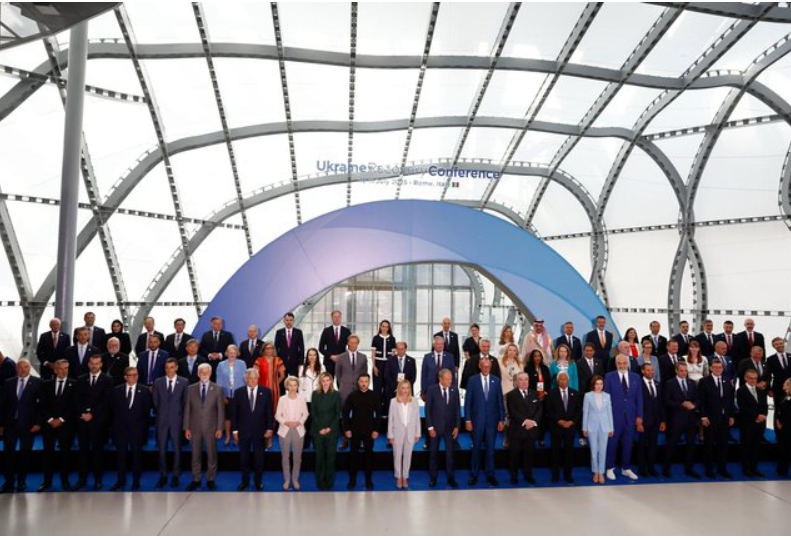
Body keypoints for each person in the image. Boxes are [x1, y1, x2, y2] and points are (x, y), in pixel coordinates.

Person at [1, 359, 42, 493]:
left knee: (25, 454)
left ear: (29, 368)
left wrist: (38, 423)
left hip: (29, 425)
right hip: (10, 425)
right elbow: (2, 405)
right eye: (20, 367)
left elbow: (41, 406)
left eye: (25, 367)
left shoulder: (38, 383)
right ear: (16, 369)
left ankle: (21, 481)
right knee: (8, 454)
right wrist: (1, 424)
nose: (22, 370)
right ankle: (9, 481)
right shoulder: (9, 382)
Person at [74, 354, 113, 490]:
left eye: (97, 363)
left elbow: (106, 401)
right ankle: (82, 479)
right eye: (92, 363)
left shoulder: (107, 380)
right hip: (82, 420)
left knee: (98, 452)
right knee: (83, 451)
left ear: (101, 364)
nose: (94, 366)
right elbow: (76, 399)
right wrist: (83, 413)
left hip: (98, 422)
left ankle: (98, 479)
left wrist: (92, 414)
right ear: (88, 364)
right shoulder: (81, 379)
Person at [109, 367, 151, 491]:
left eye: (135, 374)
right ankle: (120, 480)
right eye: (131, 375)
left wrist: (144, 430)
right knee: (121, 457)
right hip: (120, 430)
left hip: (137, 430)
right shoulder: (117, 390)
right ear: (125, 377)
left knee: (137, 456)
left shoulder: (145, 390)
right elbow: (112, 410)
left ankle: (136, 481)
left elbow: (146, 412)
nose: (134, 377)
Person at [465, 357, 505, 486]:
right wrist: (467, 420)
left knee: (490, 449)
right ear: (479, 366)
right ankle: (474, 474)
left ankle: (490, 474)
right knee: (476, 448)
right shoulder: (472, 380)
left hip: (492, 421)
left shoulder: (496, 380)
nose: (486, 368)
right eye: (484, 366)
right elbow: (467, 402)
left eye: (488, 366)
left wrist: (501, 419)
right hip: (477, 421)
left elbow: (500, 401)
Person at [184, 364, 224, 491]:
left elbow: (221, 411)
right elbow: (187, 409)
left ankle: (211, 479)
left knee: (212, 454)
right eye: (202, 372)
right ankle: (196, 479)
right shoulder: (190, 389)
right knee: (195, 455)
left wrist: (220, 428)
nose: (204, 374)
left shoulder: (217, 389)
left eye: (206, 372)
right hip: (194, 428)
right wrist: (186, 427)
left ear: (210, 373)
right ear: (198, 374)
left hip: (211, 428)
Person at [232, 368, 274, 491]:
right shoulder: (238, 392)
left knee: (259, 459)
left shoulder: (266, 392)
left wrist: (269, 428)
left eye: (255, 378)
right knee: (244, 458)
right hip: (243, 431)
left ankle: (258, 481)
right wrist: (234, 430)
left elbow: (269, 412)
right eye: (250, 378)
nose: (253, 380)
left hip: (260, 431)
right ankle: (244, 482)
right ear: (246, 379)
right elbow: (234, 413)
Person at [38, 359, 77, 492]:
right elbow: (42, 404)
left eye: (66, 368)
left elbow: (74, 405)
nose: (63, 371)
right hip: (49, 425)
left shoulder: (74, 384)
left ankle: (65, 481)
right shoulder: (46, 384)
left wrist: (61, 419)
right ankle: (47, 482)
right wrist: (50, 419)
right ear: (55, 370)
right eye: (60, 368)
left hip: (65, 425)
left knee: (65, 454)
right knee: (47, 454)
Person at [604, 354, 643, 480]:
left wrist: (639, 416)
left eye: (624, 363)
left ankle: (626, 468)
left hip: (631, 417)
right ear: (616, 364)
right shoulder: (609, 377)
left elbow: (639, 398)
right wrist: (607, 418)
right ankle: (610, 467)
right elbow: (606, 399)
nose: (622, 366)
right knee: (612, 443)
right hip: (614, 417)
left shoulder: (636, 377)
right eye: (619, 363)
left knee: (628, 444)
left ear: (628, 363)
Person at [152, 358, 188, 489]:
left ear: (176, 368)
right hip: (161, 421)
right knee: (161, 449)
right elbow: (155, 402)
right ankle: (163, 475)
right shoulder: (158, 382)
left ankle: (176, 476)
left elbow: (185, 402)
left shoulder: (184, 382)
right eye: (167, 367)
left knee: (177, 449)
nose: (169, 370)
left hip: (177, 421)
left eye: (172, 367)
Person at [696, 358, 735, 479]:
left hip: (724, 418)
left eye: (720, 367)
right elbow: (701, 400)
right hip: (710, 418)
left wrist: (731, 415)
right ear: (711, 368)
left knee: (723, 445)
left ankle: (722, 469)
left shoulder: (727, 381)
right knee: (709, 445)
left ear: (723, 369)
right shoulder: (704, 381)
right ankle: (709, 469)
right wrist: (703, 416)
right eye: (715, 367)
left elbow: (730, 400)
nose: (718, 369)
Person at [343, 373, 382, 490]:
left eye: (366, 381)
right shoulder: (352, 396)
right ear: (358, 382)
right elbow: (345, 413)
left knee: (369, 457)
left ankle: (369, 481)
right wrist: (347, 429)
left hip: (370, 431)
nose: (364, 384)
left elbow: (379, 415)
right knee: (353, 457)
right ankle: (352, 481)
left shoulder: (374, 396)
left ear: (369, 382)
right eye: (362, 381)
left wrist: (376, 430)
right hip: (355, 431)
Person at [663, 362, 700, 478]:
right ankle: (666, 469)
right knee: (672, 445)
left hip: (691, 419)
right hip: (676, 419)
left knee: (691, 445)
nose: (684, 373)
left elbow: (698, 398)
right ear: (676, 371)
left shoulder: (692, 383)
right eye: (681, 370)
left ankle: (689, 468)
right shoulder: (669, 383)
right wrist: (681, 404)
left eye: (685, 370)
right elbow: (666, 401)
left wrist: (694, 405)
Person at [425, 369, 460, 488]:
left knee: (450, 454)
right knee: (433, 454)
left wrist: (457, 426)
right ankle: (433, 478)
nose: (450, 381)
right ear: (440, 379)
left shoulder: (454, 390)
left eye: (451, 378)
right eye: (447, 379)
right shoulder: (432, 390)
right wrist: (430, 427)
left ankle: (451, 477)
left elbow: (457, 409)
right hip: (435, 428)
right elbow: (428, 410)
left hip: (450, 428)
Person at [506, 372, 541, 485]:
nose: (524, 382)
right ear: (517, 382)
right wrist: (525, 421)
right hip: (517, 430)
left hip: (531, 430)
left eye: (526, 379)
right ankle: (514, 476)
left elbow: (539, 409)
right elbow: (512, 411)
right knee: (514, 455)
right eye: (521, 379)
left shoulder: (534, 393)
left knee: (529, 455)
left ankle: (528, 475)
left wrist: (533, 422)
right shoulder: (511, 395)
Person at [276, 376, 309, 490]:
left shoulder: (302, 399)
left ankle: (295, 479)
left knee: (297, 458)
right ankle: (287, 480)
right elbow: (277, 415)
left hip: (298, 430)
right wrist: (285, 422)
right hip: (284, 430)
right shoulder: (282, 399)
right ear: (287, 386)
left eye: (295, 385)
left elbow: (305, 414)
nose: (293, 388)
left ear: (298, 386)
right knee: (285, 457)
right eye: (290, 385)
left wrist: (299, 422)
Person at [547, 371, 580, 484]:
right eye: (560, 379)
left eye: (565, 379)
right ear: (557, 381)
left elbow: (578, 410)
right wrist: (559, 421)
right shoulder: (551, 394)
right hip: (556, 427)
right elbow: (549, 410)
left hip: (570, 427)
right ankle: (555, 475)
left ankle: (568, 475)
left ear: (568, 380)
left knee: (569, 453)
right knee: (555, 452)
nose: (563, 381)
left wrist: (572, 421)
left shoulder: (574, 393)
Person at [387, 380, 421, 489]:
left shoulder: (414, 401)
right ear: (399, 389)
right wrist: (390, 435)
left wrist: (418, 433)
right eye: (403, 388)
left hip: (411, 433)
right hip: (397, 433)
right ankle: (398, 476)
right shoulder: (393, 401)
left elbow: (417, 418)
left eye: (407, 388)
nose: (405, 390)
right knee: (397, 456)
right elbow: (390, 419)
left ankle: (405, 476)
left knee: (408, 456)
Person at [311, 373, 341, 490]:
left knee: (330, 457)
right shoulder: (315, 394)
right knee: (319, 457)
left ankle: (329, 482)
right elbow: (313, 413)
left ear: (331, 381)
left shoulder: (336, 395)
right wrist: (320, 428)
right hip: (317, 431)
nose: (325, 383)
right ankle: (320, 482)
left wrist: (329, 428)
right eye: (323, 380)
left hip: (332, 431)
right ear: (320, 382)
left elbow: (337, 414)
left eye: (328, 380)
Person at [736, 369, 768, 477]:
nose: (753, 380)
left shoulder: (761, 390)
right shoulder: (741, 390)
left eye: (755, 378)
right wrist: (756, 416)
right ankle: (746, 469)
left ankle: (754, 468)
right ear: (745, 378)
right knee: (746, 446)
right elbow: (742, 407)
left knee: (756, 447)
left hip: (760, 423)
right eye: (751, 378)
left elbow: (765, 406)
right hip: (747, 423)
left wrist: (763, 415)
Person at [582, 375, 613, 484]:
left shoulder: (607, 396)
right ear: (593, 385)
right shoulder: (588, 396)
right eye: (597, 384)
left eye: (601, 384)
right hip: (592, 426)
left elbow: (609, 412)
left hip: (605, 426)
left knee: (603, 450)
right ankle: (595, 472)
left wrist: (611, 428)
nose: (599, 386)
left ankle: (601, 472)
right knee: (594, 451)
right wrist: (584, 427)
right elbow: (585, 412)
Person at [637, 362, 665, 478]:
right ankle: (642, 468)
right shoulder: (638, 384)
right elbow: (636, 403)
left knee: (653, 445)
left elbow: (661, 403)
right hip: (643, 421)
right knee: (642, 446)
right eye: (648, 370)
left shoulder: (658, 384)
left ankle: (651, 467)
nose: (651, 372)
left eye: (652, 370)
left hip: (656, 421)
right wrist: (638, 421)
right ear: (643, 371)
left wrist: (662, 420)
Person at [256, 342, 286, 448]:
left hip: (274, 391)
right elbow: (255, 375)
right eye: (267, 348)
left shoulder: (278, 360)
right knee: (261, 413)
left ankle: (270, 438)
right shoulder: (258, 360)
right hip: (261, 391)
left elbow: (282, 375)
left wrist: (275, 384)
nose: (269, 350)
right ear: (263, 350)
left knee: (272, 413)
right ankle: (261, 436)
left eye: (271, 348)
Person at [216, 344, 247, 444]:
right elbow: (219, 381)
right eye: (230, 352)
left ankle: (237, 437)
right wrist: (222, 395)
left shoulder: (242, 363)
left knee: (239, 416)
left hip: (239, 395)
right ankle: (228, 436)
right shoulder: (221, 365)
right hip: (226, 395)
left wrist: (245, 394)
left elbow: (245, 379)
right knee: (227, 417)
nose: (232, 354)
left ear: (237, 353)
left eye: (234, 352)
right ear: (226, 353)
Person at [525, 349, 551, 447]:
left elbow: (548, 382)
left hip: (544, 397)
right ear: (532, 357)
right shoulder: (527, 369)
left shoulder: (545, 368)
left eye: (539, 356)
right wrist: (535, 394)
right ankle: (531, 438)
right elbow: (527, 384)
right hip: (532, 397)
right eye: (535, 356)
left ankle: (541, 438)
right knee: (533, 417)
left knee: (542, 418)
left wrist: (545, 392)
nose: (537, 358)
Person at [371, 320, 396, 417]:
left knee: (388, 388)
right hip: (378, 364)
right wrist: (374, 366)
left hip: (388, 364)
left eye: (387, 326)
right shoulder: (375, 338)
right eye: (383, 326)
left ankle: (387, 410)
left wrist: (392, 368)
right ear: (380, 327)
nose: (385, 328)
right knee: (377, 388)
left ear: (389, 328)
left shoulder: (392, 339)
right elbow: (373, 353)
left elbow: (393, 354)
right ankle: (377, 409)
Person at [298, 348, 322, 448]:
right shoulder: (302, 368)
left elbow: (324, 384)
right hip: (306, 400)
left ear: (317, 356)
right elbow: (300, 386)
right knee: (306, 423)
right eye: (310, 355)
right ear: (307, 357)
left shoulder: (322, 368)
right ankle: (306, 442)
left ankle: (316, 443)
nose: (312, 357)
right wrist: (300, 400)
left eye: (314, 355)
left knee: (317, 423)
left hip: (318, 400)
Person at [336, 334, 368, 402]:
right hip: (345, 388)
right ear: (348, 343)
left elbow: (364, 373)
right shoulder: (340, 357)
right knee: (344, 407)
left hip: (358, 388)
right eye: (351, 342)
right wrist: (343, 383)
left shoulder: (363, 357)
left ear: (358, 344)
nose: (353, 345)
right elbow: (338, 373)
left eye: (355, 343)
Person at [318, 310, 350, 376]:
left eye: (338, 317)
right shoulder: (326, 331)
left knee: (342, 381)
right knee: (329, 381)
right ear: (332, 318)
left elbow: (351, 347)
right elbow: (321, 348)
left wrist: (342, 356)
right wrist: (331, 356)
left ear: (341, 318)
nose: (337, 318)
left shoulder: (346, 331)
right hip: (329, 362)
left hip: (342, 362)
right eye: (335, 317)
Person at [767, 337, 791, 403]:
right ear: (773, 346)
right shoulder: (770, 359)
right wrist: (769, 389)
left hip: (790, 387)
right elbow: (768, 375)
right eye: (776, 344)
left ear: (784, 343)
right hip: (778, 389)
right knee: (779, 407)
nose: (780, 345)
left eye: (781, 343)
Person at [775, 378, 791, 476]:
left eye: (785, 384)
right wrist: (778, 420)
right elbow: (780, 410)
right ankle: (781, 468)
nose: (783, 385)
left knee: (787, 448)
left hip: (788, 427)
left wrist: (782, 423)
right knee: (782, 448)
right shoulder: (785, 396)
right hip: (782, 426)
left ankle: (783, 468)